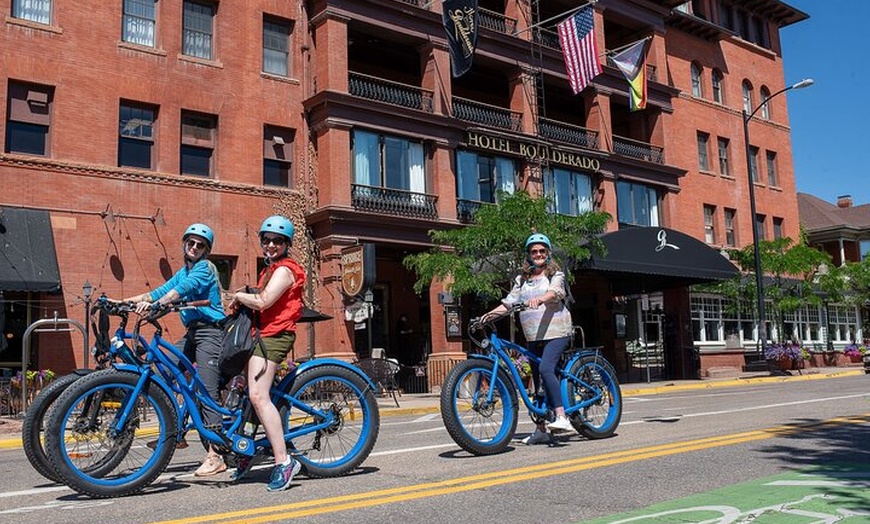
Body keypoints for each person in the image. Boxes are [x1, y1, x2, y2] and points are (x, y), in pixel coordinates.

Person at [123, 223, 227, 475]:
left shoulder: (205, 268)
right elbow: (156, 292)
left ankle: (216, 455)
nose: (193, 247)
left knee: (207, 388)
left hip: (211, 332)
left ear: (206, 250)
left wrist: (158, 304)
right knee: (162, 374)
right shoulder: (184, 270)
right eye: (190, 243)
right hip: (192, 333)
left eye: (199, 245)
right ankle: (175, 431)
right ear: (184, 244)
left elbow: (179, 291)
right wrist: (121, 302)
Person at [229, 215, 305, 491]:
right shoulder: (270, 269)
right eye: (267, 240)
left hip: (276, 336)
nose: (271, 245)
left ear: (286, 244)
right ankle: (248, 450)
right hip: (262, 335)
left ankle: (284, 462)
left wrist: (238, 296)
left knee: (259, 396)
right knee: (249, 394)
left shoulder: (285, 269)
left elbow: (264, 302)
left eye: (278, 241)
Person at [480, 233, 574, 445]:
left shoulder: (555, 275)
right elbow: (508, 304)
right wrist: (485, 317)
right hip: (533, 336)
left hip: (557, 332)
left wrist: (540, 299)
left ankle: (562, 416)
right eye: (534, 251)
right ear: (529, 256)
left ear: (548, 253)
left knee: (546, 369)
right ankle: (541, 429)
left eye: (542, 251)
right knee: (538, 382)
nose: (538, 254)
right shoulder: (521, 280)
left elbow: (555, 292)